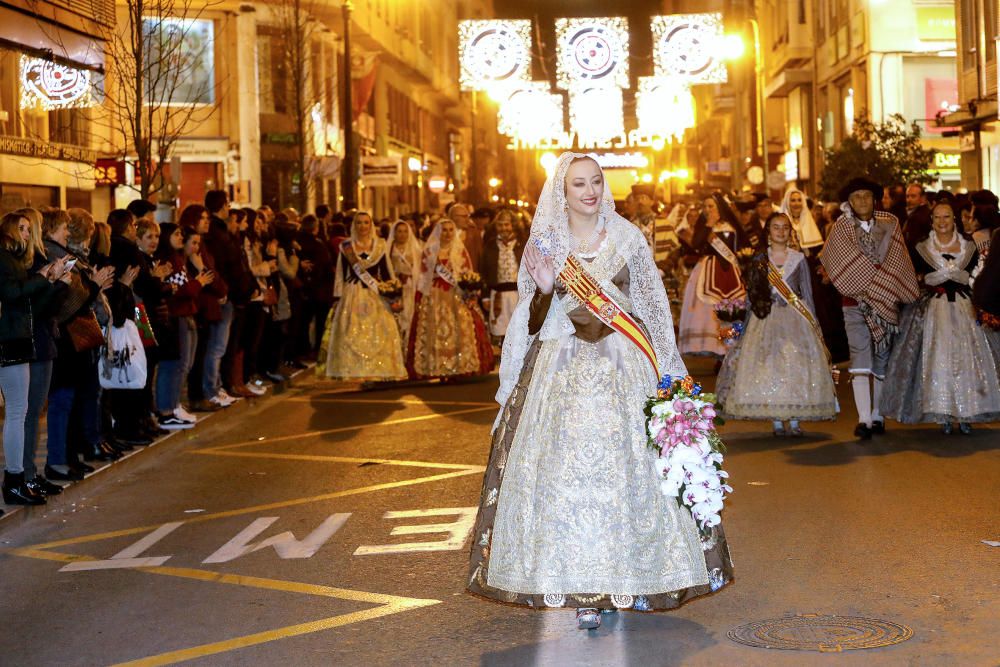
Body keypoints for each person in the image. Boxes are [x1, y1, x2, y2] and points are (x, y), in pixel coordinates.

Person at [467, 153, 732, 629]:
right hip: (562, 370)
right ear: (561, 192)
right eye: (578, 185)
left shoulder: (629, 237)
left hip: (623, 366)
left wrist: (670, 375)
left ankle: (623, 576)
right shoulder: (546, 242)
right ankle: (580, 585)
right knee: (565, 479)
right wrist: (547, 288)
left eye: (595, 182)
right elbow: (527, 323)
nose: (589, 191)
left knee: (626, 476)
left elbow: (651, 310)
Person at [716, 213, 838, 435]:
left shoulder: (799, 259)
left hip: (795, 318)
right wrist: (746, 321)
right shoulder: (759, 260)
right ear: (768, 232)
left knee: (795, 365)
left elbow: (807, 293)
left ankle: (794, 419)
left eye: (785, 227)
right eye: (776, 227)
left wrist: (814, 323)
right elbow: (752, 294)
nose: (781, 232)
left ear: (790, 231)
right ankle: (776, 420)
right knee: (769, 366)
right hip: (766, 319)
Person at [882, 203, 1000, 433]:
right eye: (937, 218)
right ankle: (944, 412)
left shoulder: (969, 246)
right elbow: (911, 279)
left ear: (954, 218)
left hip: (964, 308)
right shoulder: (921, 248)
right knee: (938, 358)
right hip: (934, 310)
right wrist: (927, 280)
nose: (942, 222)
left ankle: (966, 411)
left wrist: (966, 278)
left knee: (968, 359)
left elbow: (979, 275)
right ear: (932, 221)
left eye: (946, 217)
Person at [819, 177, 919, 440]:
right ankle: (863, 419)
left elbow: (898, 261)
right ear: (849, 202)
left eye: (866, 196)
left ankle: (878, 415)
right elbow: (834, 264)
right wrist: (868, 281)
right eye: (856, 197)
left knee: (883, 358)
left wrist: (880, 286)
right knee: (860, 356)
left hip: (886, 303)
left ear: (874, 199)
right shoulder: (840, 229)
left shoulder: (891, 224)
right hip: (854, 304)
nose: (862, 201)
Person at [0, 212, 69, 505]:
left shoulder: (12, 259)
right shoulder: (5, 259)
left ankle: (18, 478)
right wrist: (44, 278)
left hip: (17, 339)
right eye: (22, 228)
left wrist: (51, 282)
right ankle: (15, 479)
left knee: (21, 411)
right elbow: (13, 293)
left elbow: (24, 297)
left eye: (29, 229)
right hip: (11, 340)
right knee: (18, 412)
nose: (27, 234)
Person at [318, 211, 406, 381]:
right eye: (359, 223)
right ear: (354, 225)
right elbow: (341, 274)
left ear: (371, 225)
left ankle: (378, 370)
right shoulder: (346, 246)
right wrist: (337, 297)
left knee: (379, 331)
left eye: (366, 222)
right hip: (352, 293)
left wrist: (392, 292)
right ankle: (355, 369)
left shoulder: (380, 245)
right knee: (351, 330)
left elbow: (387, 271)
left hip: (375, 294)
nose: (363, 226)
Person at [407, 218, 494, 379]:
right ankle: (437, 366)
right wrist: (419, 297)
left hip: (456, 294)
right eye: (444, 230)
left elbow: (468, 273)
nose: (447, 233)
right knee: (434, 329)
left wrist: (471, 291)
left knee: (461, 329)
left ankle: (459, 365)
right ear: (438, 232)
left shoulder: (459, 251)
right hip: (434, 295)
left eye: (450, 230)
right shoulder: (430, 251)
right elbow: (423, 277)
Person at [679, 194, 747, 358]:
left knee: (733, 305)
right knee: (706, 309)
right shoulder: (704, 226)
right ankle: (711, 345)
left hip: (730, 271)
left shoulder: (731, 226)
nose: (708, 210)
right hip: (706, 269)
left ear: (720, 207)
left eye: (711, 206)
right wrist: (708, 226)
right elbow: (696, 245)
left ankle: (730, 345)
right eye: (706, 207)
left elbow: (742, 246)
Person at [479, 209, 524, 343]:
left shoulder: (522, 245)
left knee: (519, 330)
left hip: (518, 294)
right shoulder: (490, 246)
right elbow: (484, 272)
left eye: (507, 224)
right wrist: (485, 296)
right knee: (501, 331)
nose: (503, 228)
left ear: (513, 225)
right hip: (497, 294)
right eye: (500, 225)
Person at [386, 219, 422, 343]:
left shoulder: (415, 248)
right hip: (395, 288)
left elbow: (420, 270)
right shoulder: (388, 249)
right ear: (394, 233)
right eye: (399, 231)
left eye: (405, 231)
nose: (402, 234)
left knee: (410, 316)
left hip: (411, 287)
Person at [778, 187, 824, 252]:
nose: (797, 203)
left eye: (799, 200)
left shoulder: (809, 221)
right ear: (787, 203)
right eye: (793, 200)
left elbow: (816, 249)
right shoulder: (781, 222)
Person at [902, 183, 932, 250]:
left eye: (913, 196)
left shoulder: (917, 217)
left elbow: (911, 243)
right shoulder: (916, 214)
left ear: (922, 198)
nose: (909, 200)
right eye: (907, 196)